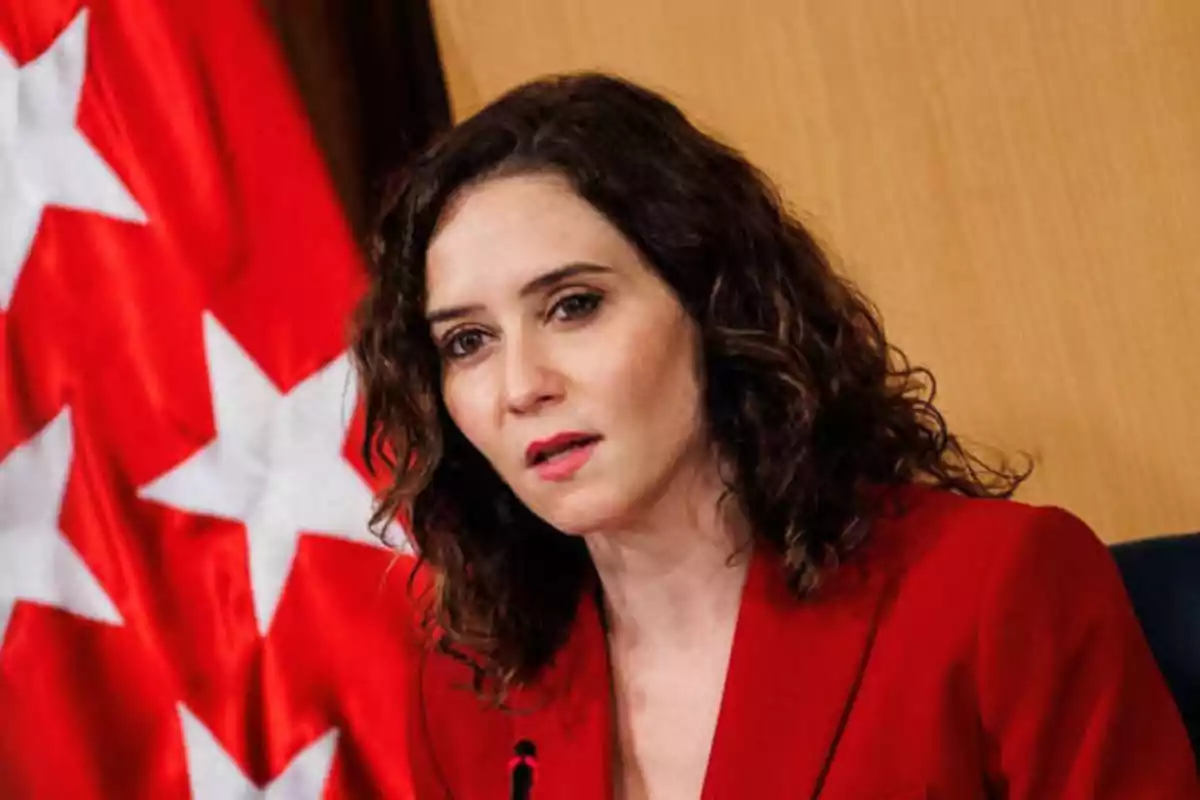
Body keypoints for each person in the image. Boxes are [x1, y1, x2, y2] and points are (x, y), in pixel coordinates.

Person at [351, 73, 1197, 798]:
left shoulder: (995, 591)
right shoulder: (469, 700)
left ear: (712, 302)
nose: (521, 386)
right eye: (467, 342)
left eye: (574, 306)